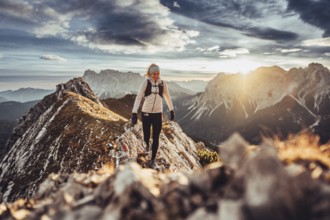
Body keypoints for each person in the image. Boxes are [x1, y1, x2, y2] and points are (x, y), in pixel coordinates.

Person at [131, 64, 174, 169]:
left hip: (158, 114)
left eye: (157, 73)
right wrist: (134, 112)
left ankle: (153, 160)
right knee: (146, 135)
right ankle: (146, 147)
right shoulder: (146, 82)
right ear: (150, 74)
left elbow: (167, 97)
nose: (156, 75)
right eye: (154, 73)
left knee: (156, 137)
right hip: (146, 113)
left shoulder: (163, 84)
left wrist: (171, 110)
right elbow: (139, 97)